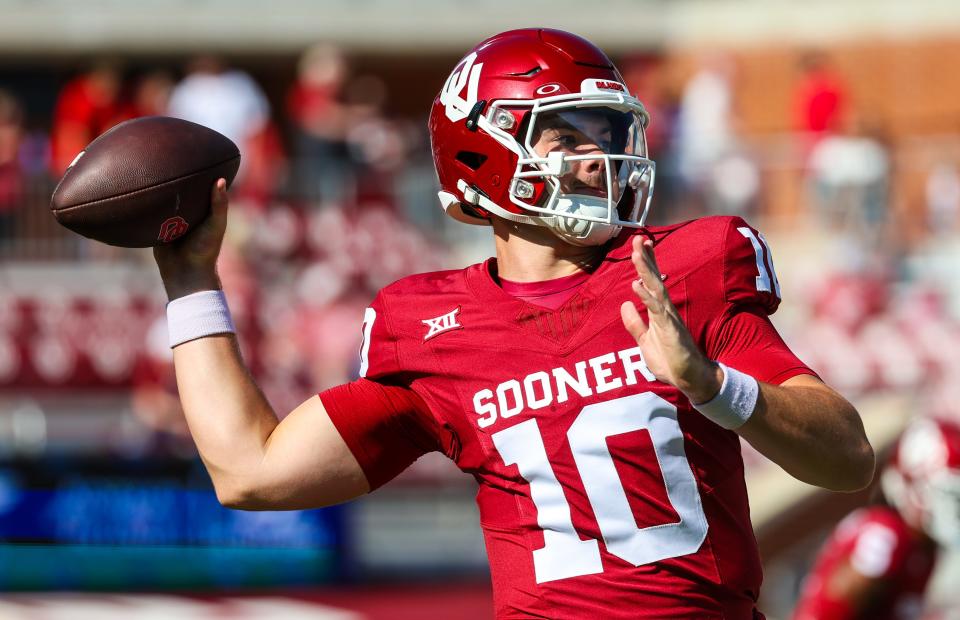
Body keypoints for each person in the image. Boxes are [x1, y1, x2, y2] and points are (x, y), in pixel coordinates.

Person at [153, 29, 874, 618]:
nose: (599, 158)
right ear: (483, 154)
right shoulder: (426, 324)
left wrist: (714, 386)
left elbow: (846, 459)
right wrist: (190, 282)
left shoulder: (684, 266)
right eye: (567, 137)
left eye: (607, 133)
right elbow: (251, 472)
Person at [793, 418, 960, 620]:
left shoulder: (922, 548)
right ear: (912, 486)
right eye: (950, 496)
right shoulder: (886, 535)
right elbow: (828, 613)